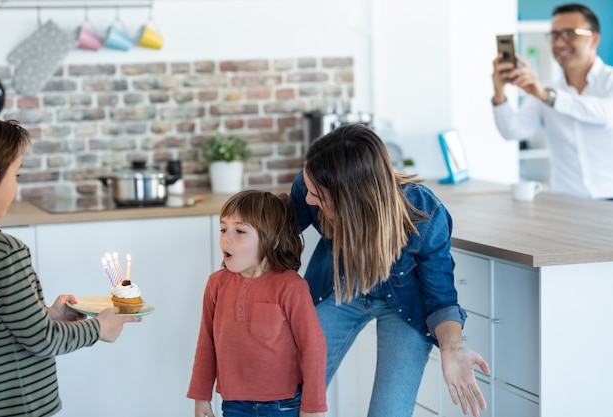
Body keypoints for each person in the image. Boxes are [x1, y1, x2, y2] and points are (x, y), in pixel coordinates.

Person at [290, 124, 490, 417]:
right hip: (339, 289)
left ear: (351, 199)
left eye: (318, 196)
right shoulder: (313, 182)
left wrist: (452, 346)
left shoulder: (424, 214)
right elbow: (276, 238)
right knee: (288, 394)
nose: (308, 199)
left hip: (404, 306)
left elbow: (441, 298)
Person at [0, 116, 142, 417]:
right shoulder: (6, 254)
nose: (16, 186)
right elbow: (42, 340)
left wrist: (46, 315)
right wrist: (98, 328)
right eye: (16, 176)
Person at [186, 190, 327, 417]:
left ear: (273, 241)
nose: (226, 238)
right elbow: (206, 345)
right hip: (234, 405)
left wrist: (313, 408)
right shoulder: (216, 284)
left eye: (239, 231)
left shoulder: (291, 287)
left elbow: (313, 349)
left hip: (284, 406)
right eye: (223, 229)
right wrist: (201, 398)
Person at [491, 3, 613, 200]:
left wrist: (548, 96)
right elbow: (513, 130)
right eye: (555, 35)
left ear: (593, 40)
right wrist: (499, 93)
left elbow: (605, 114)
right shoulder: (544, 91)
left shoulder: (608, 82)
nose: (559, 43)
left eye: (569, 34)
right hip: (566, 203)